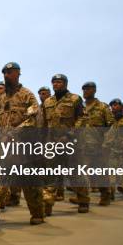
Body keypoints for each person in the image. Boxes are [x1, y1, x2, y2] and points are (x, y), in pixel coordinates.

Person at [0, 62, 44, 224]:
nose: (6, 75)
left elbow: (34, 118)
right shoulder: (1, 99)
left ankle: (37, 214)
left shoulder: (27, 95)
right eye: (5, 73)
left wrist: (15, 133)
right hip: (3, 147)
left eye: (10, 72)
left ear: (18, 74)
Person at [40, 74, 86, 214]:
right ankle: (47, 205)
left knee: (75, 174)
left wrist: (69, 135)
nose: (55, 85)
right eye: (53, 82)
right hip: (52, 144)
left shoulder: (75, 99)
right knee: (50, 175)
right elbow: (43, 124)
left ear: (65, 83)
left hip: (70, 144)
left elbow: (82, 119)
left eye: (59, 82)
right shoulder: (48, 102)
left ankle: (83, 201)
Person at [74, 82, 115, 205]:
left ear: (94, 90)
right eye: (84, 89)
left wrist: (107, 144)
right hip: (82, 145)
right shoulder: (80, 108)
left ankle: (105, 195)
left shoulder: (102, 107)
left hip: (98, 146)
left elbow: (112, 126)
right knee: (79, 173)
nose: (85, 91)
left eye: (88, 89)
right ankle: (82, 197)